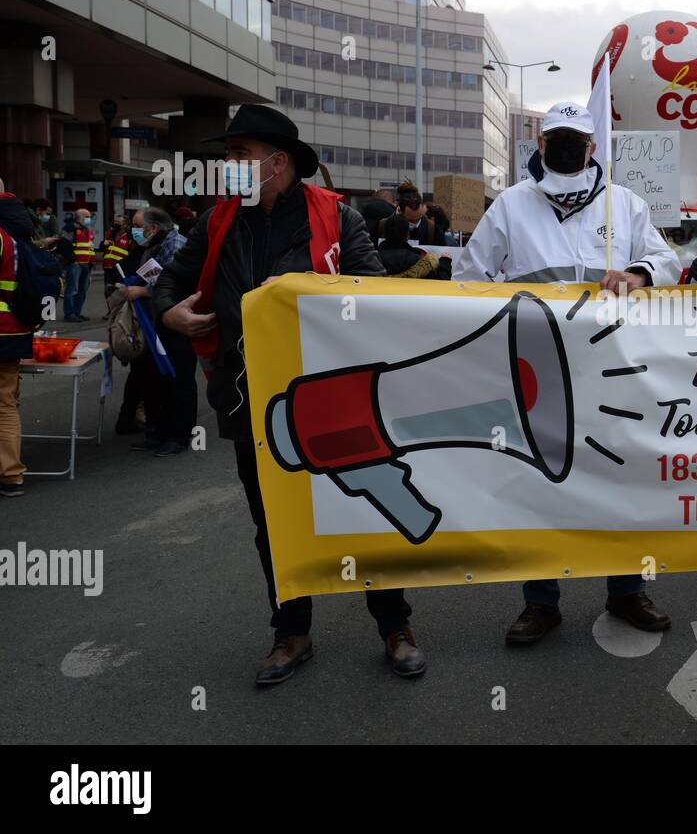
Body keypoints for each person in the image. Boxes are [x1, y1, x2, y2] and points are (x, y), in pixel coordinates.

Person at [153, 103, 426, 683]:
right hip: (245, 394)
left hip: (331, 392)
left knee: (363, 505)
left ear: (277, 163)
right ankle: (291, 633)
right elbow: (173, 280)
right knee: (272, 518)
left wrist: (303, 289)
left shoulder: (338, 217)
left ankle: (394, 626)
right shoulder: (219, 220)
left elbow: (369, 291)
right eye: (226, 156)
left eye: (238, 155)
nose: (227, 165)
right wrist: (168, 313)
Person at [454, 101, 681, 644]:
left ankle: (627, 590)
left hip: (615, 372)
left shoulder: (623, 204)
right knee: (541, 483)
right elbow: (468, 277)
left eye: (573, 138)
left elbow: (667, 262)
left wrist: (640, 272)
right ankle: (541, 601)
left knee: (623, 479)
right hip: (536, 371)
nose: (563, 145)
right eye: (555, 136)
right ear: (540, 143)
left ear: (592, 145)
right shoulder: (510, 205)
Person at [116, 208, 194, 457]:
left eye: (137, 225)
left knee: (177, 380)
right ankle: (157, 432)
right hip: (152, 323)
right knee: (153, 381)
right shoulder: (151, 246)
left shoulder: (177, 245)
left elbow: (180, 284)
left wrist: (143, 292)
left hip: (175, 322)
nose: (133, 230)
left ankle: (179, 436)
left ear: (154, 227)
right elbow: (148, 276)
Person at [0, 188, 36, 498]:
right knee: (6, 404)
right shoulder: (14, 234)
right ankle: (11, 475)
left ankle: (10, 473)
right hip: (12, 332)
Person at [377, 213, 451, 279]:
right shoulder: (419, 263)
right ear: (407, 235)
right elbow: (440, 282)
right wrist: (445, 262)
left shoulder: (374, 259)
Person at [62, 207, 95, 322]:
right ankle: (69, 314)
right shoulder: (70, 228)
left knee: (82, 290)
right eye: (87, 217)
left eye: (90, 217)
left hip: (86, 264)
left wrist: (91, 262)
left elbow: (89, 247)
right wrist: (73, 260)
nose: (89, 219)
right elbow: (64, 244)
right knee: (72, 289)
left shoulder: (86, 229)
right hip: (75, 264)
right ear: (79, 217)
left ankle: (76, 312)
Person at [101, 215, 131, 303]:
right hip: (108, 266)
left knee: (120, 290)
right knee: (108, 290)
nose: (115, 224)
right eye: (115, 221)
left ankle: (118, 312)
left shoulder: (129, 236)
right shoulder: (109, 233)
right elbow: (102, 248)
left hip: (121, 268)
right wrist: (103, 243)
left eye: (118, 222)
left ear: (125, 225)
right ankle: (110, 312)